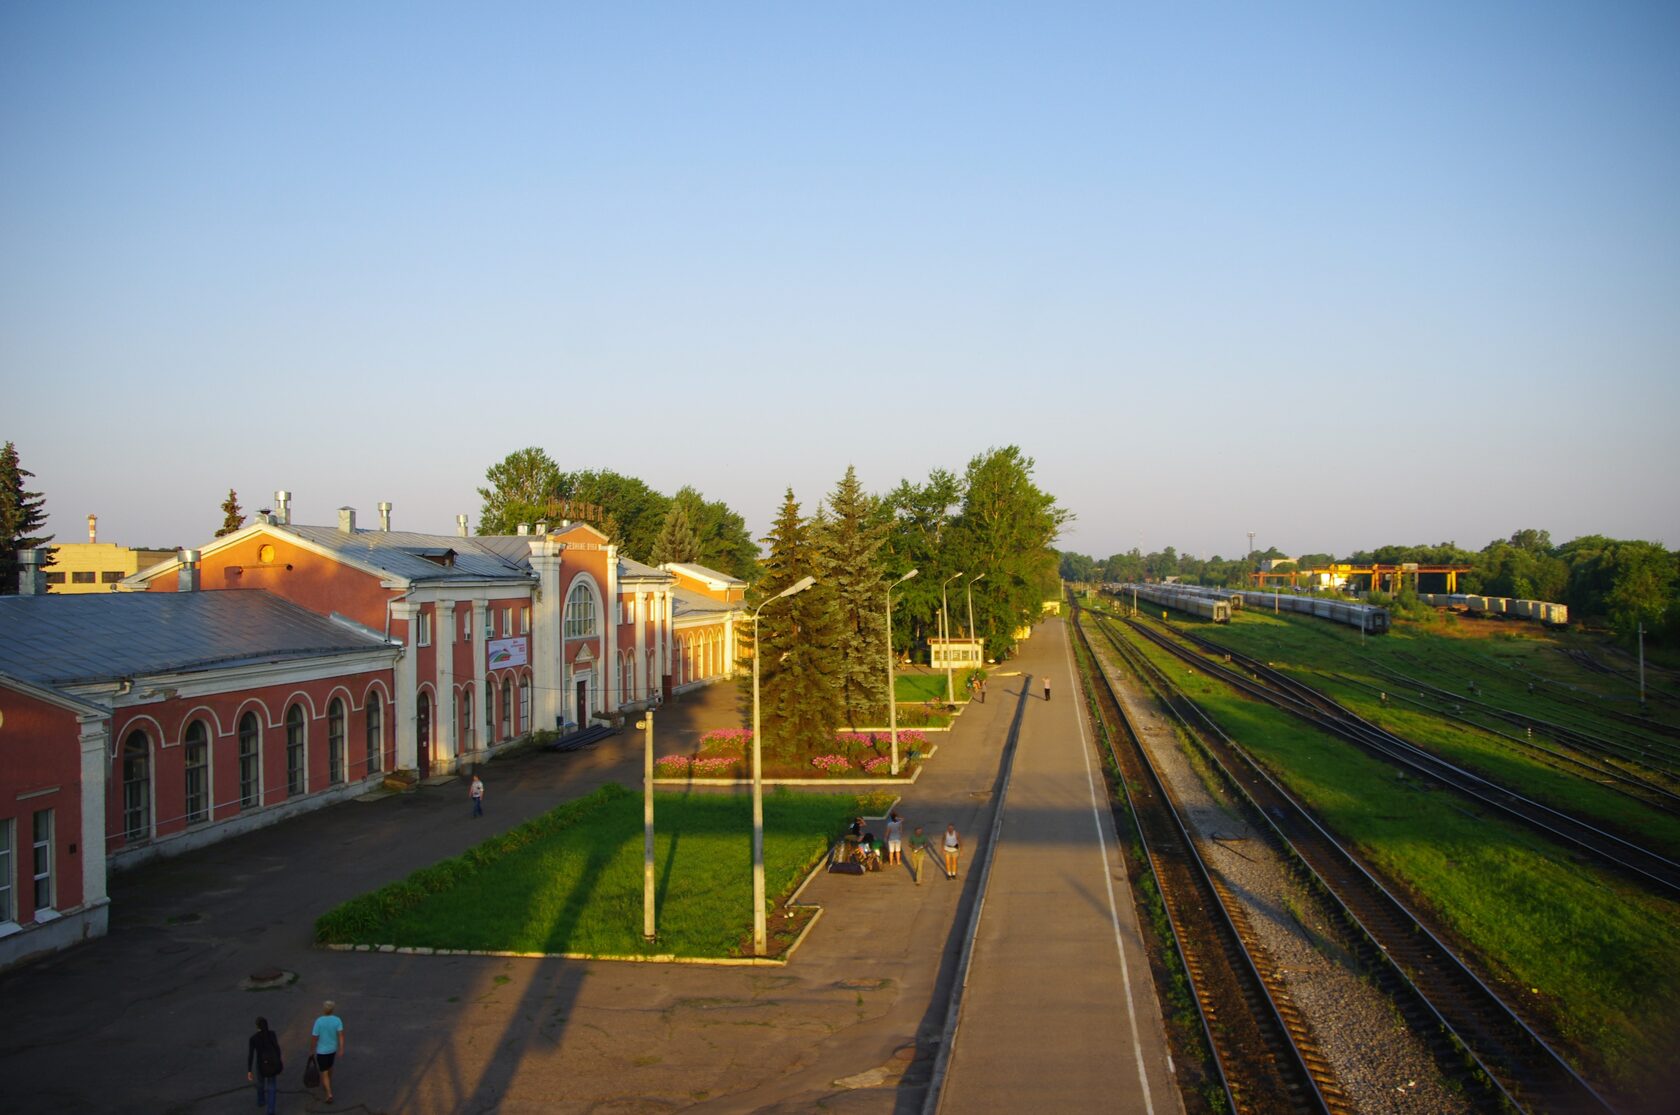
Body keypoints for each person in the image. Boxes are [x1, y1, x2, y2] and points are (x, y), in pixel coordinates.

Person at [311, 1000, 346, 1104]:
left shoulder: (319, 1021)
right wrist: (341, 1048)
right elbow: (341, 1035)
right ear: (332, 1009)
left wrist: (311, 1050)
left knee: (324, 1072)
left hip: (322, 1051)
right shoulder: (337, 1020)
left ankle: (329, 1093)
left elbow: (314, 1037)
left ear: (324, 1009)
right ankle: (328, 1083)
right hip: (332, 1049)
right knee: (330, 1067)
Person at [246, 1017, 283, 1114]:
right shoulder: (272, 1034)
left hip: (261, 1065)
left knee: (260, 1083)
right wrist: (278, 1060)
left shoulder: (254, 1038)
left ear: (257, 1027)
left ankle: (261, 1100)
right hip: (272, 1064)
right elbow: (277, 1048)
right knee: (272, 1086)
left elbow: (251, 1055)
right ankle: (270, 1110)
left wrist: (249, 1070)